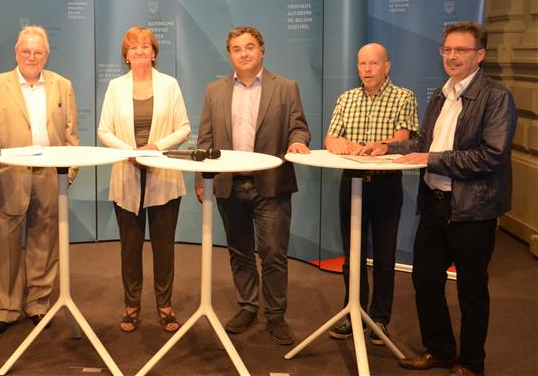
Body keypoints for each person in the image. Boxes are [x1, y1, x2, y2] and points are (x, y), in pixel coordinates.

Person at [363, 22, 517, 376]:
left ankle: (472, 364)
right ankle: (440, 351)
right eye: (447, 50)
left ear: (480, 55)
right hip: (434, 204)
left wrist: (432, 159)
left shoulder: (496, 97)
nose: (452, 56)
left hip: (473, 210)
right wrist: (387, 147)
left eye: (461, 50)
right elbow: (423, 144)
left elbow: (491, 156)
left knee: (471, 291)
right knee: (426, 281)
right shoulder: (440, 95)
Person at [196, 25, 310, 345]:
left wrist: (298, 143)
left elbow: (299, 128)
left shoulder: (286, 87)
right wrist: (201, 180)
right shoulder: (214, 91)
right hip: (228, 184)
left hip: (272, 185)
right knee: (240, 251)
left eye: (249, 47)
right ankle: (247, 306)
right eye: (236, 49)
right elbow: (205, 139)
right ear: (229, 54)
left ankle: (275, 315)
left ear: (261, 50)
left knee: (273, 253)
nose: (243, 53)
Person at [0, 25, 79, 337]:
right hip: (11, 176)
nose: (32, 57)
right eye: (26, 51)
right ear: (16, 53)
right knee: (8, 245)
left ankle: (38, 304)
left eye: (38, 52)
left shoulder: (63, 86)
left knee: (44, 243)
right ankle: (7, 309)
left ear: (46, 54)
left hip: (50, 176)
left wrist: (68, 175)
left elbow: (71, 135)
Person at [98, 27, 191, 333]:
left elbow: (184, 127)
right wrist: (130, 151)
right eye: (133, 47)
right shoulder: (115, 87)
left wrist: (156, 147)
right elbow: (103, 130)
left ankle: (165, 306)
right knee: (130, 248)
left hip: (164, 177)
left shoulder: (170, 85)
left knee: (164, 247)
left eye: (145, 46)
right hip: (126, 174)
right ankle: (131, 306)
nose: (139, 51)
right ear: (126, 56)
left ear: (154, 52)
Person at [323, 43, 419, 344]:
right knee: (352, 255)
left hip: (385, 186)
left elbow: (403, 138)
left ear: (386, 67)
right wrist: (341, 145)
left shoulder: (404, 97)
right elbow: (330, 138)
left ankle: (379, 318)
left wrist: (375, 147)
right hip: (350, 183)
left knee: (385, 257)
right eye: (362, 64)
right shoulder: (346, 98)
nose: (367, 69)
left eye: (373, 63)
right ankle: (353, 313)